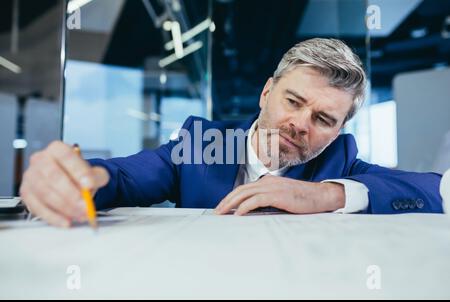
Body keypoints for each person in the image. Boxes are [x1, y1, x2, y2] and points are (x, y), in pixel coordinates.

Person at [19, 38, 443, 228]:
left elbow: (435, 191)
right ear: (265, 92)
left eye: (323, 119)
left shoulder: (340, 163)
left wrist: (327, 194)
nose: (300, 124)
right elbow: (126, 177)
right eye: (293, 102)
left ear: (337, 131)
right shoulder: (201, 143)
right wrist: (82, 178)